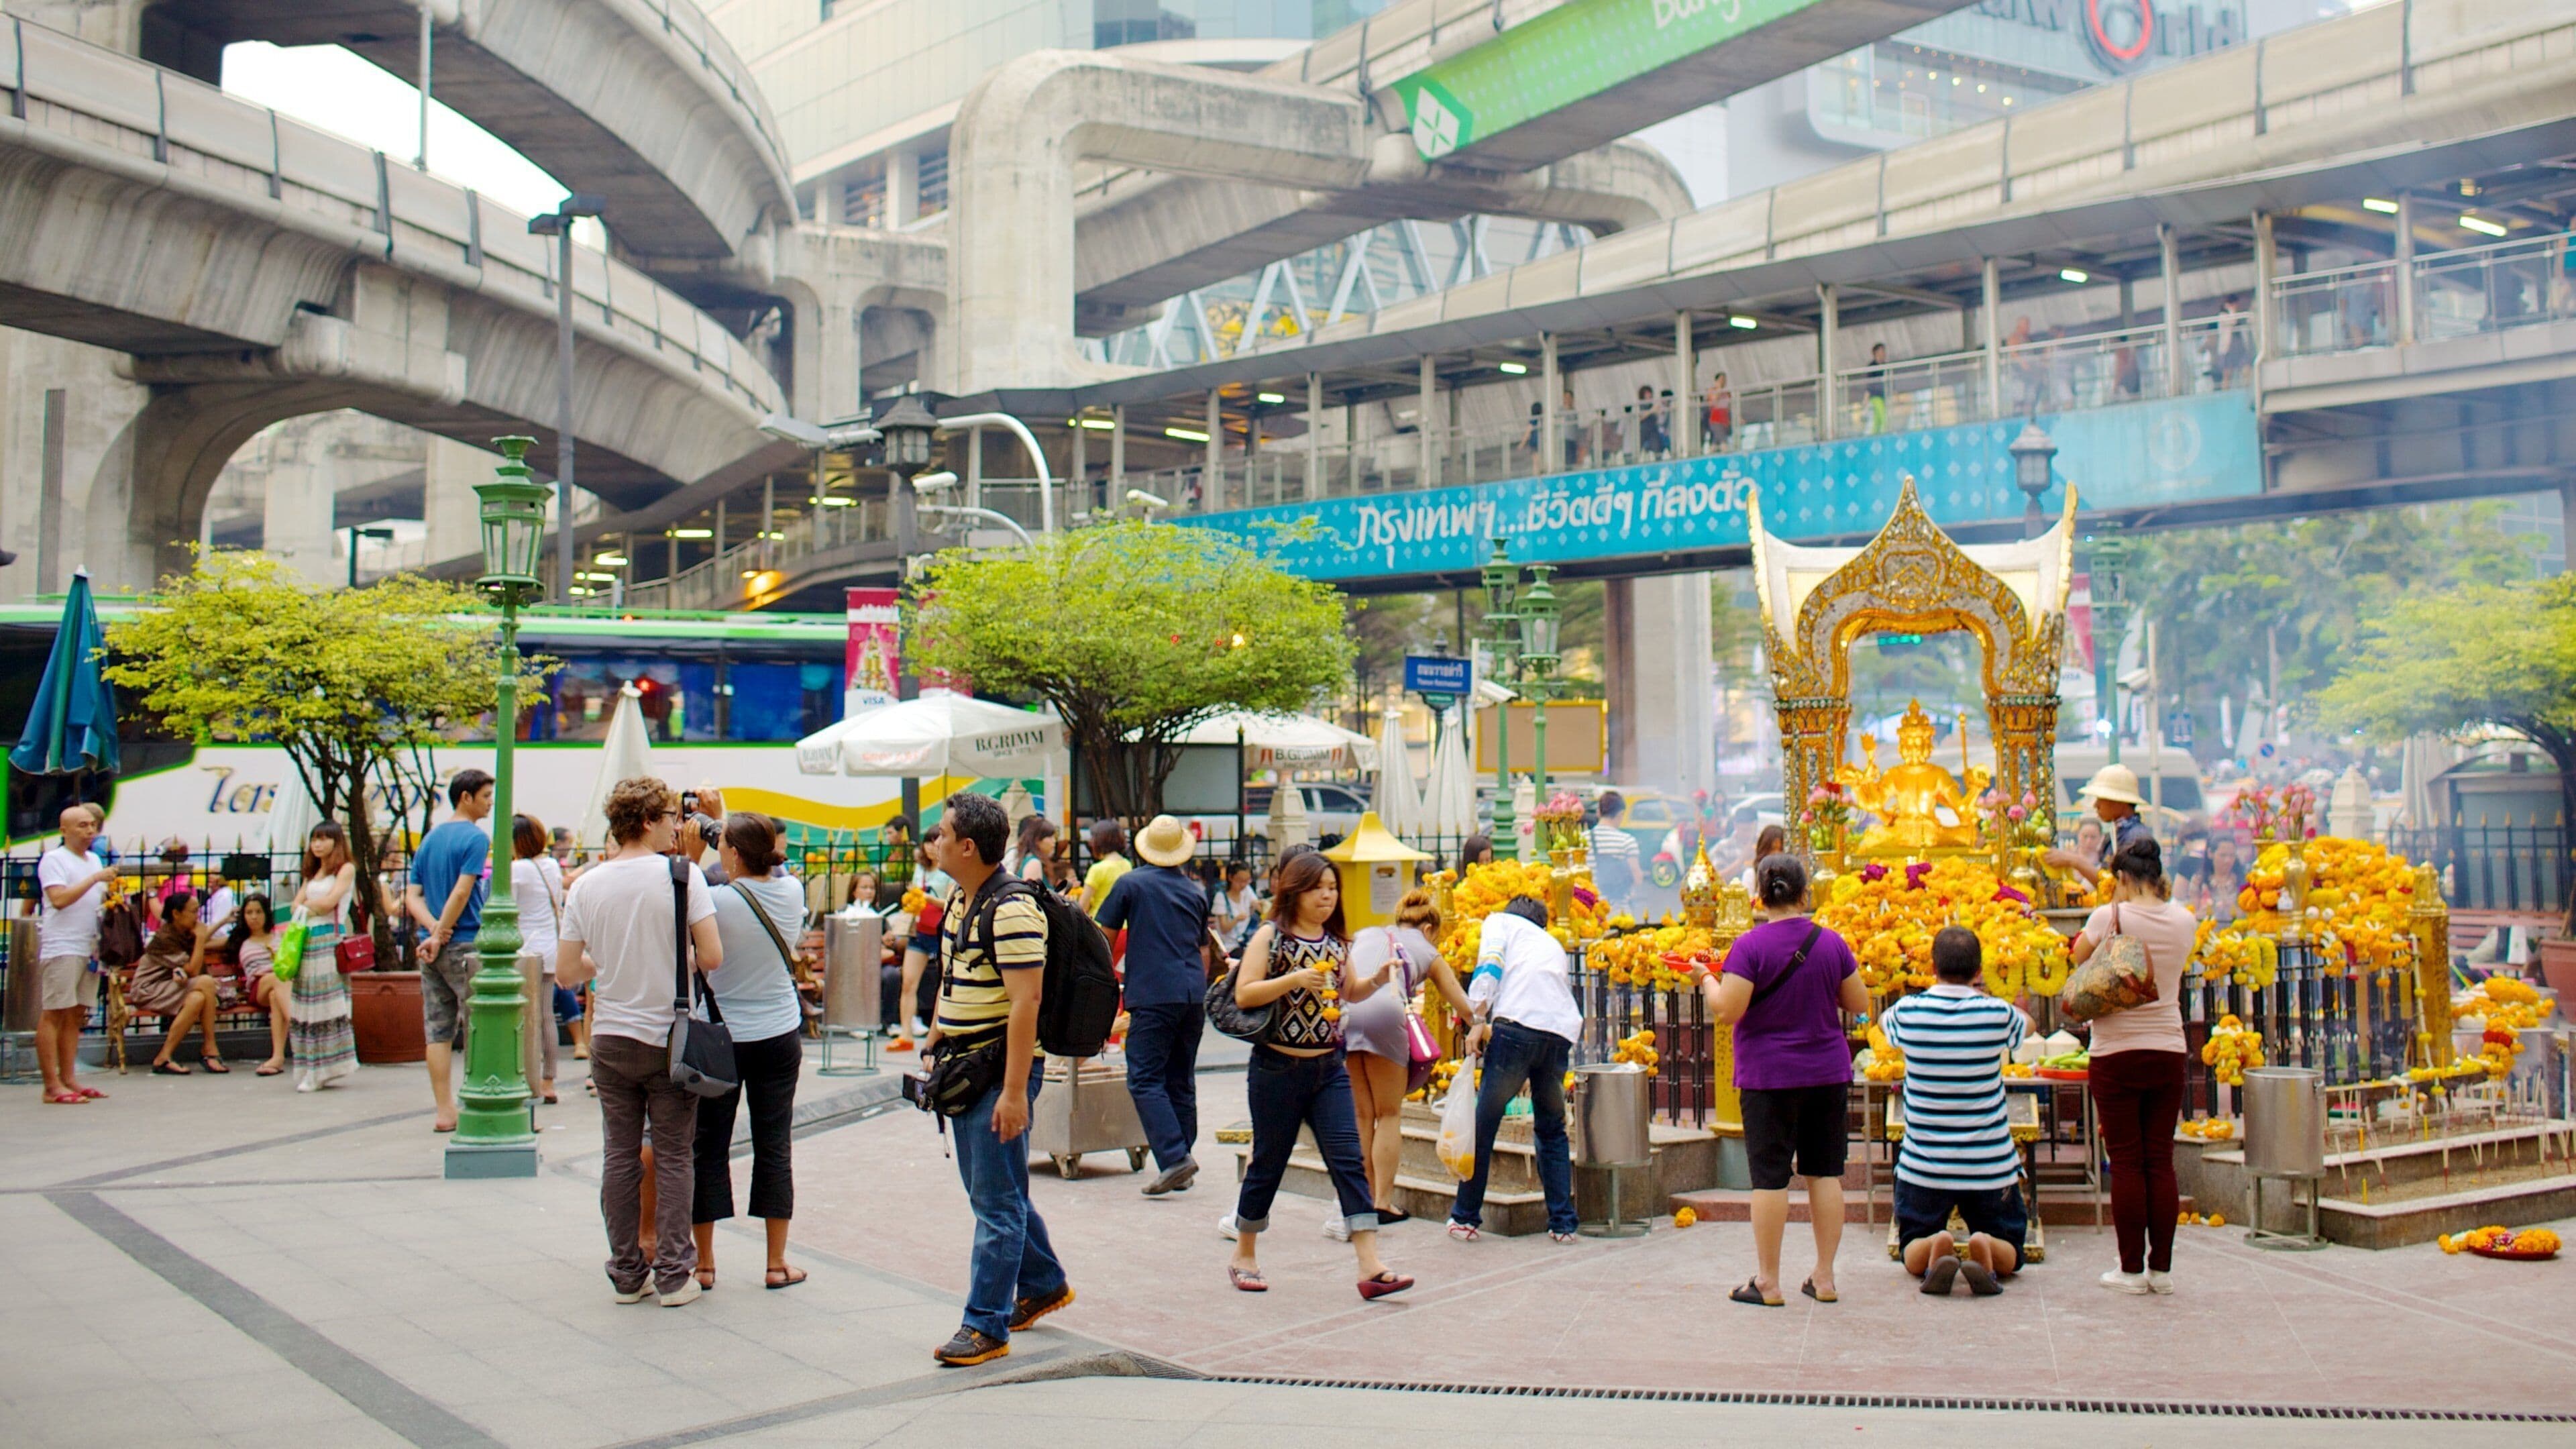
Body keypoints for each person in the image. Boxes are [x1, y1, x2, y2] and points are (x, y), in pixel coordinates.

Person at [555, 776, 722, 1308]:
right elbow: (713, 957)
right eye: (672, 817)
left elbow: (565, 973)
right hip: (668, 1036)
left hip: (609, 1037)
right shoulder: (682, 877)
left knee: (619, 1154)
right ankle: (675, 1275)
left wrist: (607, 961)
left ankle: (627, 1272)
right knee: (674, 1155)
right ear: (649, 821)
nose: (679, 827)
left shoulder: (586, 885)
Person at [922, 791, 1073, 1365]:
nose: (933, 841)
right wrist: (938, 1028)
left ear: (967, 846)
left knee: (995, 1202)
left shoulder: (1010, 908)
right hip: (966, 1063)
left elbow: (1025, 1003)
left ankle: (986, 1325)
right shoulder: (963, 900)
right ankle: (1043, 1282)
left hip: (998, 1070)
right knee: (994, 1192)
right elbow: (955, 972)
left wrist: (1014, 1093)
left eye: (941, 833)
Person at [1224, 851, 1412, 1298]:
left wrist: (1379, 979)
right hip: (1277, 1068)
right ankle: (1244, 1252)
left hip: (1329, 1067)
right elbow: (1246, 993)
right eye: (1317, 889)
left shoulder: (1336, 941)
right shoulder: (1271, 936)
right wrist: (1293, 980)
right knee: (1269, 1162)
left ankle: (1370, 1264)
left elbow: (1348, 990)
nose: (1327, 897)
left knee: (1348, 1161)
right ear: (1295, 890)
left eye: (1332, 889)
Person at [1690, 852, 1868, 1307]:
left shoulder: (1749, 947)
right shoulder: (1831, 942)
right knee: (1825, 1174)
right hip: (1825, 1073)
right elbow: (1859, 1001)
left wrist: (1707, 979)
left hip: (1769, 1077)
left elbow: (1729, 1009)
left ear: (1759, 896)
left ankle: (1768, 1282)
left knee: (1769, 1180)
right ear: (1805, 893)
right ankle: (1824, 1278)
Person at [2072, 837, 2197, 1295]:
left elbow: (2079, 959)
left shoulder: (2111, 917)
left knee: (2125, 1161)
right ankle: (2160, 1271)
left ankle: (2128, 1271)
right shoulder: (2185, 921)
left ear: (2122, 877)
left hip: (2116, 1051)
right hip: (2167, 1046)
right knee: (2159, 1159)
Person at [691, 814, 808, 1292]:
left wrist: (695, 846)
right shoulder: (792, 891)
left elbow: (684, 890)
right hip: (779, 1033)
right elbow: (757, 866)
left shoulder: (714, 900)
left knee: (708, 1147)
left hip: (721, 1038)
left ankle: (704, 1263)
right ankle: (776, 1262)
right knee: (774, 1144)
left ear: (733, 853)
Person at [1882, 926, 2031, 1296]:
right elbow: (2027, 1025)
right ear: (1980, 970)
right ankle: (1987, 1245)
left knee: (1910, 1245)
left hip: (1924, 1164)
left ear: (1932, 966)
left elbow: (1886, 1027)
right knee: (2012, 1249)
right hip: (1990, 1164)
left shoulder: (1908, 1012)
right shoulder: (1996, 1013)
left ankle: (1933, 1247)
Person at [1450, 894, 1583, 1243]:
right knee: (1552, 1128)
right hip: (1557, 1034)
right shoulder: (1552, 942)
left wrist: (1477, 1018)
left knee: (1485, 1123)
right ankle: (1563, 1224)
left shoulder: (1500, 922)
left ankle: (1465, 1217)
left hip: (1517, 1030)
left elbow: (1490, 965)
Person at [1095, 816, 1215, 1196]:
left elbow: (1103, 938)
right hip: (1192, 994)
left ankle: (1175, 1158)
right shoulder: (1195, 891)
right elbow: (1204, 949)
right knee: (1181, 1077)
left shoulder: (1130, 884)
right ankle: (1182, 1158)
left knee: (1145, 1077)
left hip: (1152, 993)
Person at [1346, 888, 1473, 1222]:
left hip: (1346, 1012)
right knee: (1388, 1114)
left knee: (1362, 1115)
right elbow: (1459, 1000)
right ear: (1429, 929)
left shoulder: (1366, 934)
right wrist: (1481, 1023)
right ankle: (1383, 1202)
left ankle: (1362, 1199)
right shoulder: (1426, 949)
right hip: (1386, 1013)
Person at [407, 769, 494, 1134]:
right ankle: (478, 1100)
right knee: (481, 1024)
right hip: (465, 940)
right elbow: (462, 892)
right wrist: (442, 932)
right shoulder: (475, 838)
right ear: (466, 797)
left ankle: (445, 1110)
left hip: (435, 947)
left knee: (438, 1029)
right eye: (487, 796)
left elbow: (412, 896)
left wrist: (431, 933)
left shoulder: (430, 839)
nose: (491, 803)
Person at [35, 804, 117, 1104]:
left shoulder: (94, 859)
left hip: (89, 944)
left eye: (92, 825)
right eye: (81, 825)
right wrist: (95, 880)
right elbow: (58, 899)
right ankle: (51, 1084)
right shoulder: (54, 860)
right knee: (54, 1012)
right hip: (63, 945)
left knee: (76, 1014)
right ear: (64, 830)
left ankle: (68, 1078)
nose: (89, 831)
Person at [289, 823, 361, 1092]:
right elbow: (296, 904)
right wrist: (308, 907)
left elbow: (329, 902)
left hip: (329, 940)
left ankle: (325, 1067)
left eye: (323, 839)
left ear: (336, 842)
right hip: (307, 940)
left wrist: (307, 907)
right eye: (314, 840)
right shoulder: (312, 872)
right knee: (306, 1005)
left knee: (326, 1005)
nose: (317, 845)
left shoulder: (345, 869)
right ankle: (310, 1065)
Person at [132, 892, 225, 1075]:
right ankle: (209, 1047)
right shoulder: (164, 938)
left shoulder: (185, 934)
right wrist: (200, 938)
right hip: (149, 989)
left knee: (197, 998)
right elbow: (193, 970)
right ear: (176, 914)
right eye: (193, 912)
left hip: (171, 986)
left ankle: (164, 1057)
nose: (197, 916)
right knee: (205, 982)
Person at [510, 814, 568, 1106]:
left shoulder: (516, 869)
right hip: (548, 949)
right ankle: (548, 1080)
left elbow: (506, 908)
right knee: (546, 1015)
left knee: (521, 1017)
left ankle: (526, 1076)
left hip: (523, 951)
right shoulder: (552, 867)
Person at [2047, 764, 2153, 877]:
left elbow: (2122, 888)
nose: (2096, 805)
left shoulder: (2137, 840)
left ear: (2119, 801)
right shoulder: (2115, 835)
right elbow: (2106, 885)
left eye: (2101, 799)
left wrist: (2076, 861)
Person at [229, 895, 289, 1077]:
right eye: (249, 913)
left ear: (266, 914)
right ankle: (299, 1027)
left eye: (258, 912)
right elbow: (202, 941)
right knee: (277, 981)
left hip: (281, 986)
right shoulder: (240, 940)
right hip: (258, 987)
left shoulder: (279, 936)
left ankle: (277, 1058)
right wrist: (225, 920)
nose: (254, 917)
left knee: (276, 994)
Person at [1589, 792, 1642, 912]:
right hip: (1619, 911)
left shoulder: (1582, 841)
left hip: (1591, 910)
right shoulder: (1627, 841)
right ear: (1621, 814)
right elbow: (1637, 877)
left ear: (1599, 812)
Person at [1079, 818, 1130, 916]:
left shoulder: (1097, 869)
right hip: (1123, 923)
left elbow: (1083, 906)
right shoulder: (1127, 864)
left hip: (1099, 924)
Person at [1211, 859, 1258, 944]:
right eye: (1240, 881)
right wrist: (1236, 920)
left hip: (1247, 940)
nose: (1244, 885)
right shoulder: (1221, 897)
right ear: (1230, 878)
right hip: (1230, 945)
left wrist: (1256, 906)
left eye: (1247, 881)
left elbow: (1257, 906)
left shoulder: (1247, 890)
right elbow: (1224, 929)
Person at [1010, 815, 1059, 886]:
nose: (1054, 841)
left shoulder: (1029, 859)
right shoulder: (1034, 863)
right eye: (1050, 837)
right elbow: (1033, 895)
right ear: (1037, 840)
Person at [1704, 372, 1733, 452]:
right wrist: (1719, 389)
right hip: (1716, 420)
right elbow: (1713, 401)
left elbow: (1729, 407)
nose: (1723, 382)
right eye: (1721, 380)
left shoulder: (1727, 393)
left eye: (1724, 380)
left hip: (1724, 420)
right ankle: (1727, 458)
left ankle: (1709, 455)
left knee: (1715, 442)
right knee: (1724, 441)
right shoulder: (1712, 390)